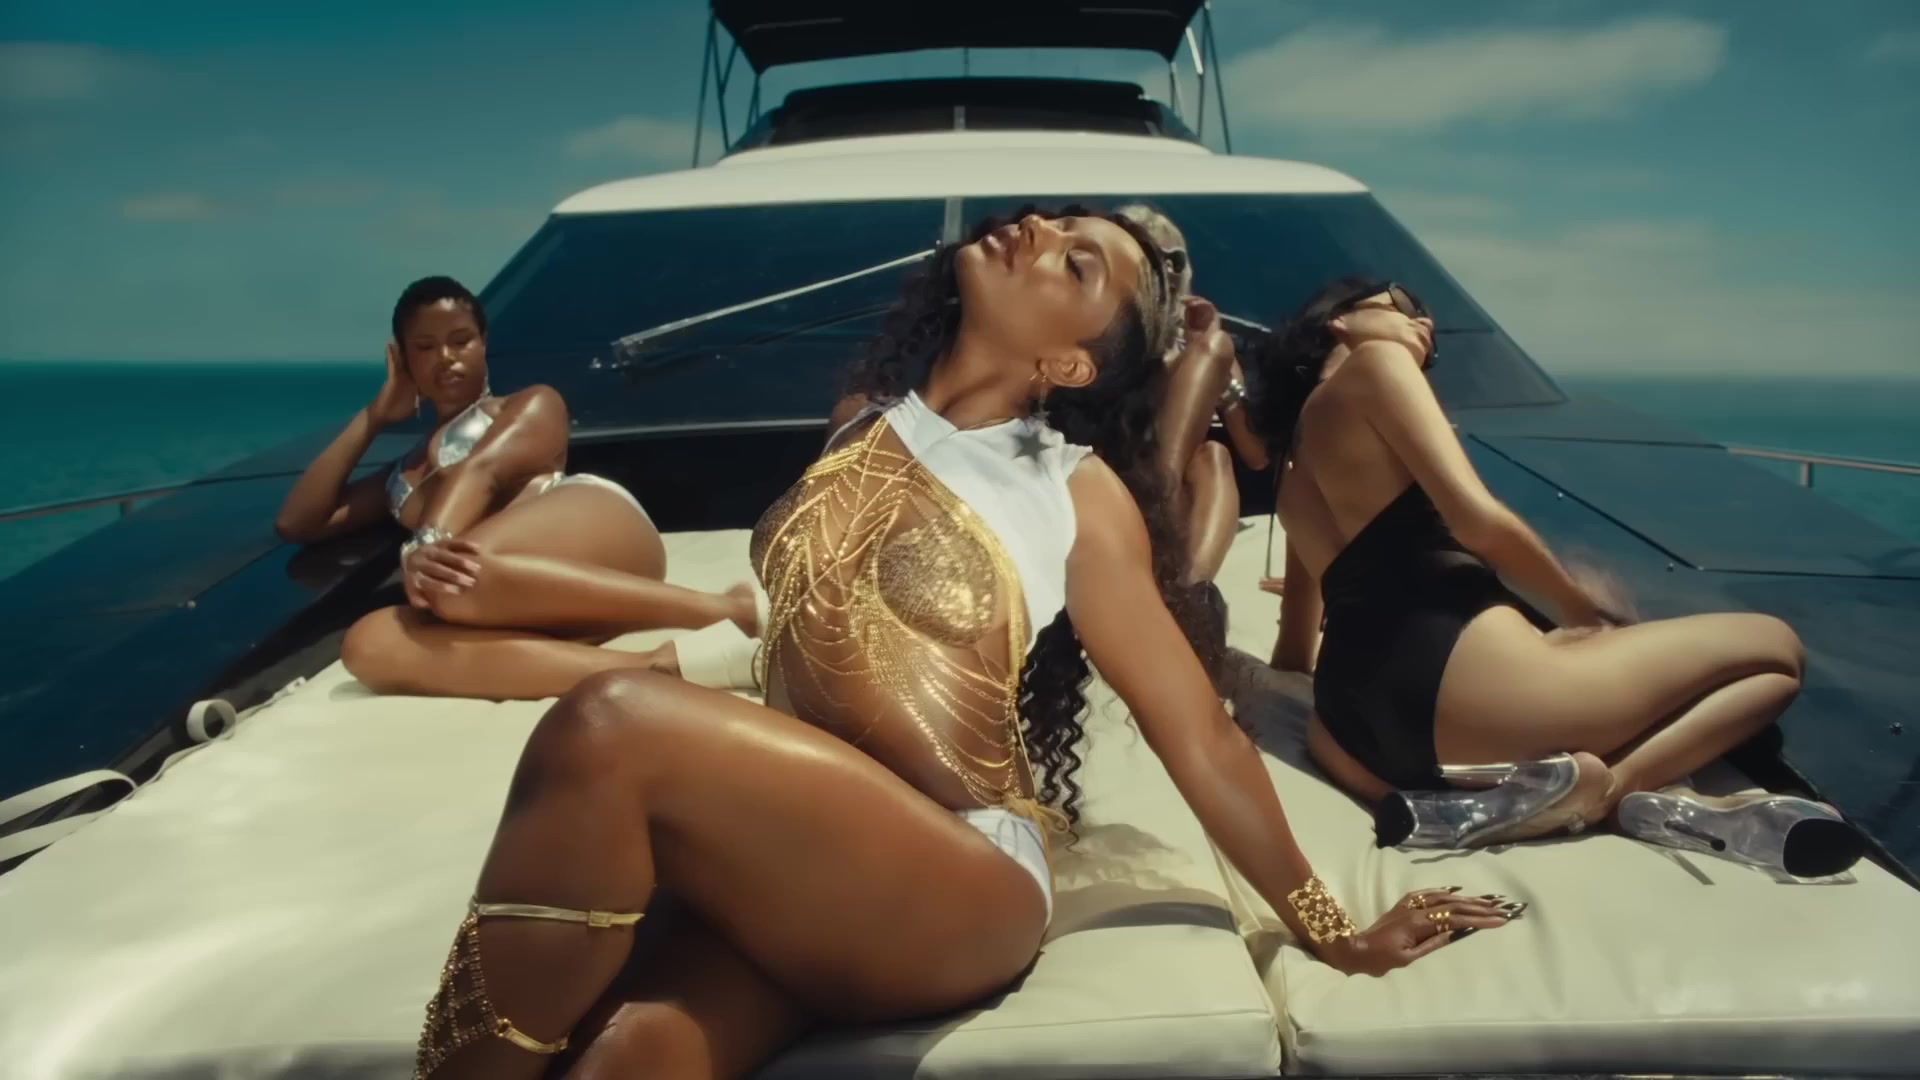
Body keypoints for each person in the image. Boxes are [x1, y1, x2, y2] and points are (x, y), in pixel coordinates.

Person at [410, 214, 1520, 1080]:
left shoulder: (1072, 490)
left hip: (955, 878)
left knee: (609, 724)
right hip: (794, 860)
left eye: (1077, 264)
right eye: (1053, 225)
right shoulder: (858, 421)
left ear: (1072, 365)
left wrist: (1335, 932)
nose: (1036, 232)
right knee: (617, 1060)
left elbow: (1203, 740)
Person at [1252, 276, 1856, 878]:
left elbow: (1294, 652)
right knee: (1778, 652)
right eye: (1404, 305)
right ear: (1339, 320)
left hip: (1352, 742)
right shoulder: (1377, 363)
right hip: (1468, 707)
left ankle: (1544, 791)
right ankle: (1606, 792)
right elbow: (1477, 521)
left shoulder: (1292, 465)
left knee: (1561, 657)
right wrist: (1578, 606)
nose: (1424, 324)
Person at [273, 276, 759, 700]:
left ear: (483, 342)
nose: (446, 357)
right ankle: (656, 665)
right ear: (401, 359)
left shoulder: (527, 406)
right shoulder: (401, 476)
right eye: (424, 347)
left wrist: (426, 543)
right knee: (368, 642)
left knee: (453, 578)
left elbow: (482, 470)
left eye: (461, 340)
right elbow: (298, 522)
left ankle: (726, 609)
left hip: (600, 531)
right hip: (495, 591)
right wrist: (375, 416)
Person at [1115, 205, 1269, 585]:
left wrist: (1215, 372)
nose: (1166, 268)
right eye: (1151, 255)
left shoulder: (1205, 345)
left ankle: (1192, 593)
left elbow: (1256, 453)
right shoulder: (1106, 336)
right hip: (1120, 474)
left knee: (1214, 456)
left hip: (1183, 502)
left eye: (1175, 259)